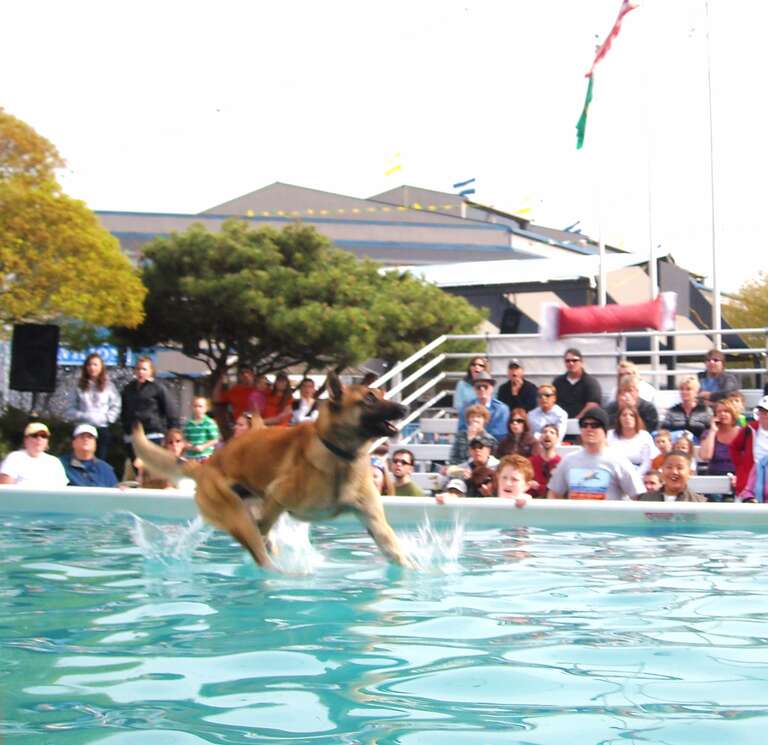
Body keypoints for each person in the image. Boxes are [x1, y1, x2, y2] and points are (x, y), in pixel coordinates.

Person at [547, 407, 643, 500]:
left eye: (595, 425)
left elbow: (638, 495)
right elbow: (554, 494)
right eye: (584, 425)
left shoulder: (618, 460)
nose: (589, 429)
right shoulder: (569, 460)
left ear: (604, 431)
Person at [66, 352, 121, 461]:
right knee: (80, 458)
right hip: (82, 428)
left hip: (101, 428)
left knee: (100, 460)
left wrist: (107, 418)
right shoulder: (78, 385)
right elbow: (69, 409)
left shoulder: (109, 386)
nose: (92, 368)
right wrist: (84, 416)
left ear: (101, 367)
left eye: (95, 365)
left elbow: (116, 405)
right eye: (89, 365)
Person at [120, 356, 179, 457]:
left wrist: (173, 431)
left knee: (152, 467)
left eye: (144, 369)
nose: (140, 372)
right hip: (133, 434)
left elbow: (170, 410)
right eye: (138, 369)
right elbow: (124, 410)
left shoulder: (158, 387)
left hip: (152, 433)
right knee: (137, 467)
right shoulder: (128, 388)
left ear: (151, 371)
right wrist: (126, 427)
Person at [0, 422, 68, 488]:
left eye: (44, 436)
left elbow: (62, 491)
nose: (39, 438)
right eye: (35, 435)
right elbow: (5, 492)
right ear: (26, 439)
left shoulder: (55, 462)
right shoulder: (14, 458)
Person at [698, 399, 739, 499]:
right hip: (714, 478)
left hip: (737, 478)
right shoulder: (708, 433)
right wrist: (713, 431)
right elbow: (705, 456)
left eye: (726, 411)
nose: (722, 414)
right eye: (719, 412)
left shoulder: (742, 433)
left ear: (733, 414)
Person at [730, 394, 768, 495]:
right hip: (752, 479)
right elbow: (734, 447)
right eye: (762, 412)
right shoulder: (749, 428)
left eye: (767, 412)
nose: (765, 415)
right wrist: (741, 466)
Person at [635, 450, 705, 502]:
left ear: (689, 473)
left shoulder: (699, 502)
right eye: (669, 467)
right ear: (662, 470)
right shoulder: (645, 500)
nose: (674, 471)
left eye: (679, 468)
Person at [552, 348, 603, 420]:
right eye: (567, 361)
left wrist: (577, 420)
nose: (571, 363)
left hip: (583, 423)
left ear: (581, 362)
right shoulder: (558, 382)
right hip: (559, 422)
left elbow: (592, 405)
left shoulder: (591, 382)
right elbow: (551, 402)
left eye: (574, 360)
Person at [607, 405, 658, 476]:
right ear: (619, 419)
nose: (628, 418)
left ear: (636, 419)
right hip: (613, 473)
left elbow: (647, 463)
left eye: (631, 415)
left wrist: (634, 476)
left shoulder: (644, 436)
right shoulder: (610, 435)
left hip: (638, 474)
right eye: (624, 415)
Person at [458, 372, 510, 441]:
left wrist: (480, 432)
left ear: (492, 388)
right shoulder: (465, 408)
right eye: (478, 387)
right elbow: (462, 431)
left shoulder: (502, 409)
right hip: (470, 445)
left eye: (485, 386)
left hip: (494, 448)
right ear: (474, 389)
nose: (482, 389)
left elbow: (501, 434)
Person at [660, 376, 711, 442]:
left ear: (696, 392)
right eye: (682, 389)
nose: (684, 392)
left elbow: (710, 431)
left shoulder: (705, 410)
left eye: (688, 389)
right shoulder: (672, 411)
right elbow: (664, 432)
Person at [182, 396, 220, 461]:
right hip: (190, 456)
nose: (197, 408)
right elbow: (184, 439)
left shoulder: (209, 422)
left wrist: (203, 446)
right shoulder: (189, 424)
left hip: (205, 456)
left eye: (200, 406)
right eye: (195, 406)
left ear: (206, 408)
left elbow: (215, 439)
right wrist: (188, 445)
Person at [528, 424, 562, 497]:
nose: (547, 434)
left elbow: (560, 490)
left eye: (552, 432)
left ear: (557, 439)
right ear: (540, 438)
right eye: (544, 432)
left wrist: (538, 487)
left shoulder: (562, 464)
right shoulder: (530, 462)